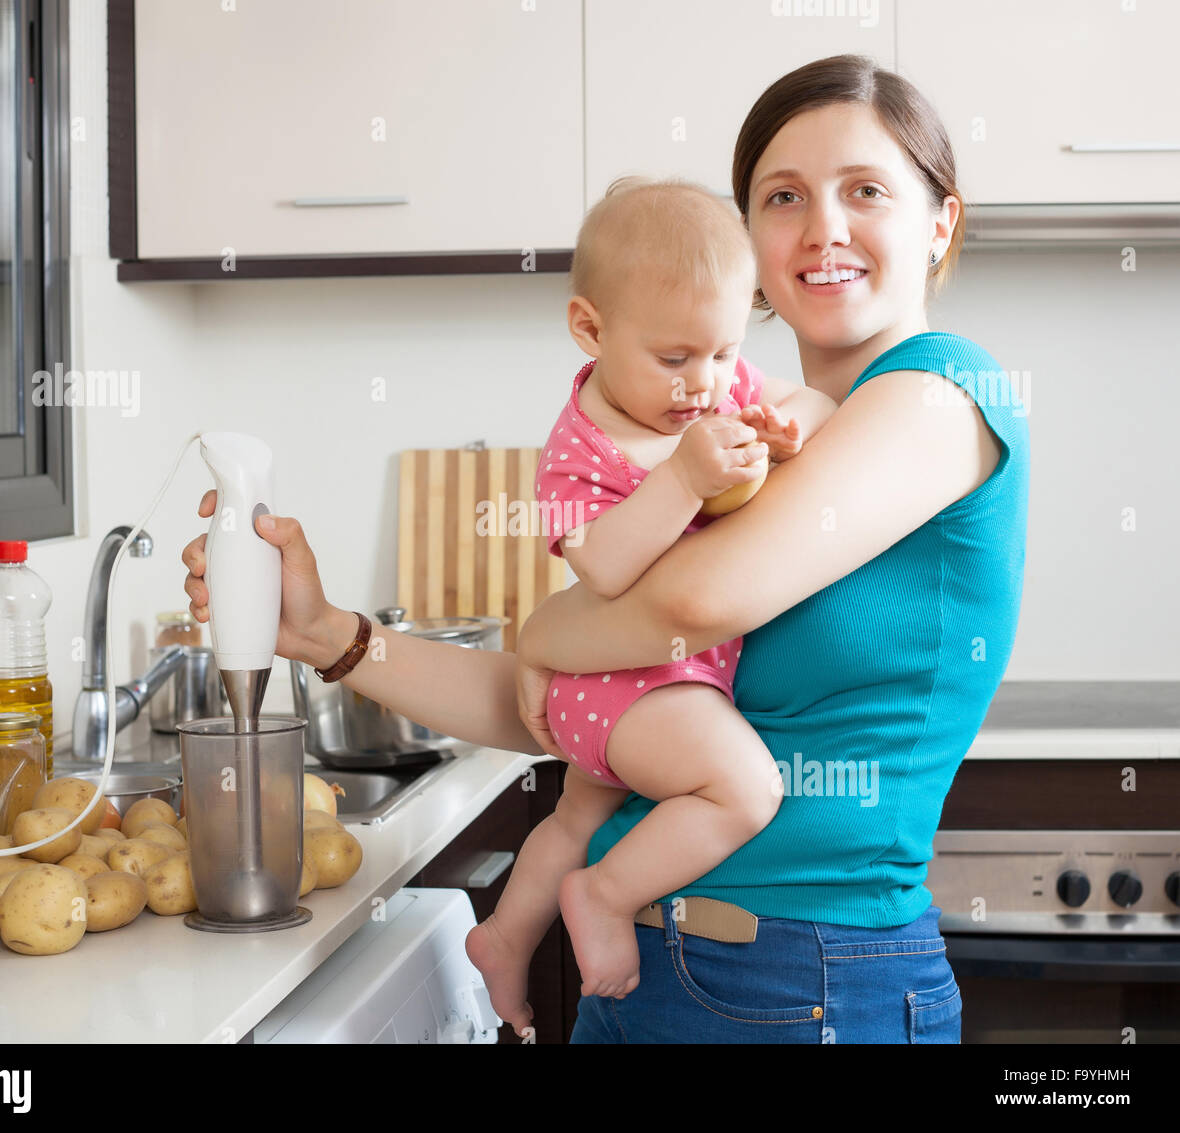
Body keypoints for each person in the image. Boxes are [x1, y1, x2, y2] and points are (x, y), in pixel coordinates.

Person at [183, 54, 1029, 1044]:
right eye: (782, 195)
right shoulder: (734, 446)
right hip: (637, 965)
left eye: (866, 191)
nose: (822, 228)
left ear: (940, 222)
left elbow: (684, 609)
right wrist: (328, 634)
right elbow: (569, 708)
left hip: (802, 984)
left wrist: (547, 626)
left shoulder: (947, 392)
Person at [460, 177, 837, 1036]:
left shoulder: (715, 379)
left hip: (644, 682)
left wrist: (788, 429)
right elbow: (598, 562)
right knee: (744, 788)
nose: (704, 385)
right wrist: (683, 478)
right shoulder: (579, 446)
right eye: (675, 359)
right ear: (590, 329)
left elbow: (812, 400)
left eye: (722, 351)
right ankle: (606, 893)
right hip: (630, 685)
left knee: (573, 816)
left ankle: (506, 937)